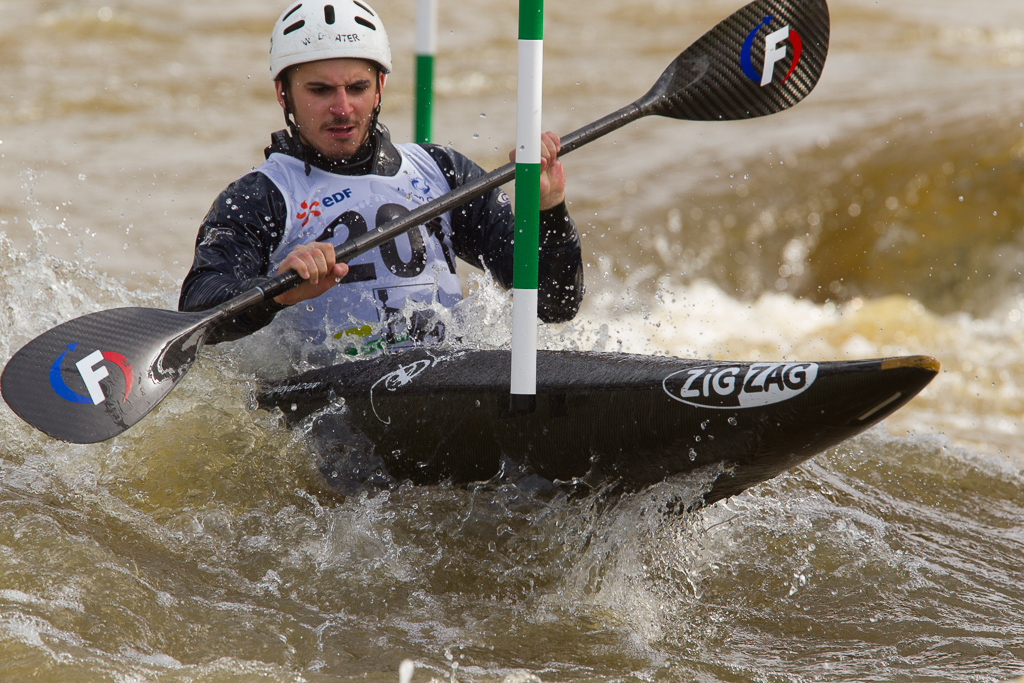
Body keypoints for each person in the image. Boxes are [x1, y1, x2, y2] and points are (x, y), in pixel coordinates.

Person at [178, 0, 584, 357]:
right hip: (331, 398)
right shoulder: (260, 197)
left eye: (357, 87)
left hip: (446, 382)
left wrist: (549, 209)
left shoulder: (441, 170)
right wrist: (275, 291)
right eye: (319, 90)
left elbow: (555, 304)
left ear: (380, 88)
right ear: (283, 94)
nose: (342, 108)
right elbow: (196, 308)